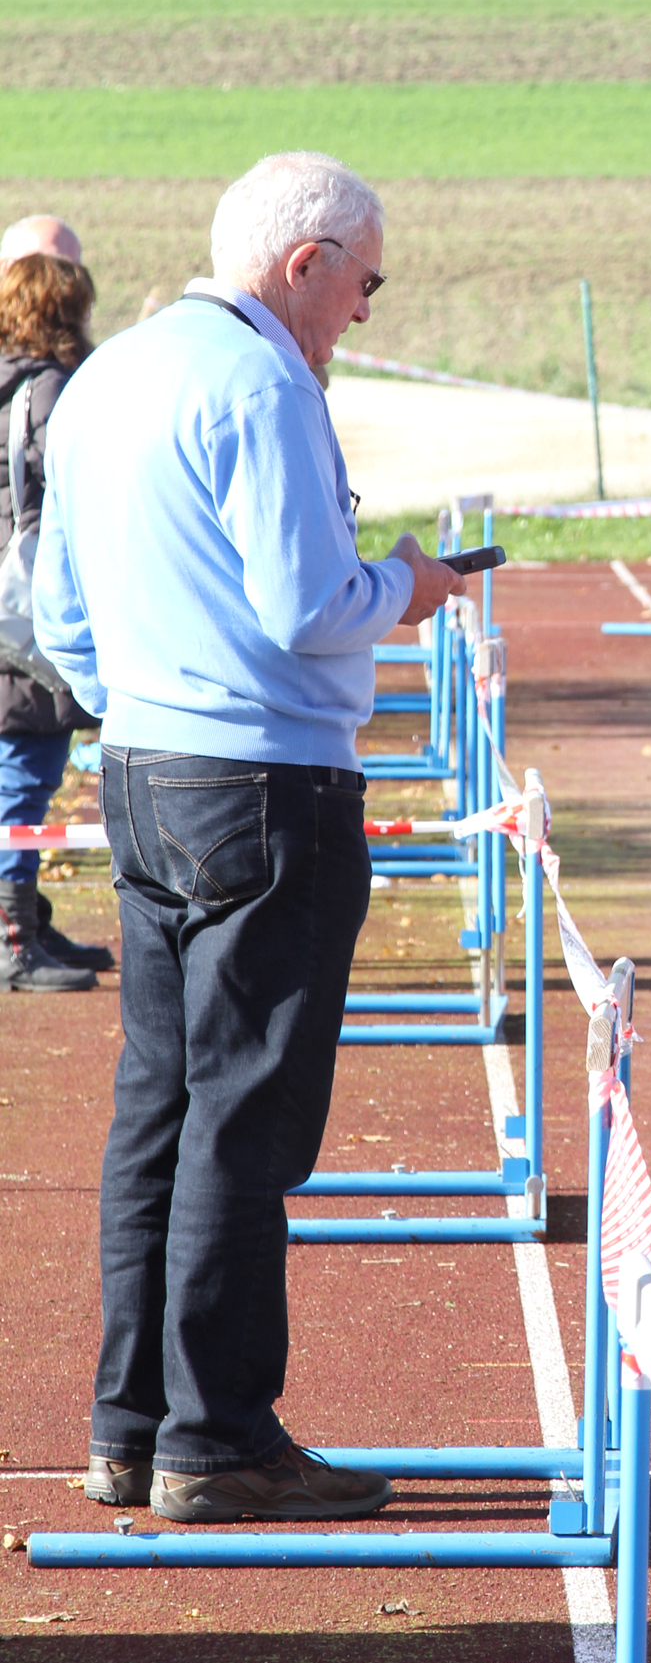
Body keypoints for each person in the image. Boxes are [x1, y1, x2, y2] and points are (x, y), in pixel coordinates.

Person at [34, 151, 464, 1525]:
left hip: (142, 767)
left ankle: (131, 1426)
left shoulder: (108, 376)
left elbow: (54, 607)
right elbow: (306, 604)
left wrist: (139, 702)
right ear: (306, 264)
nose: (362, 313)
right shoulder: (265, 382)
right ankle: (216, 1440)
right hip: (267, 780)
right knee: (244, 1118)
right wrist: (409, 584)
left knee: (159, 1108)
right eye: (366, 284)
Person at [0, 220, 111, 991]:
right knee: (22, 774)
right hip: (26, 608)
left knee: (22, 769)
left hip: (11, 602)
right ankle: (12, 937)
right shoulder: (49, 389)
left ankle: (26, 921)